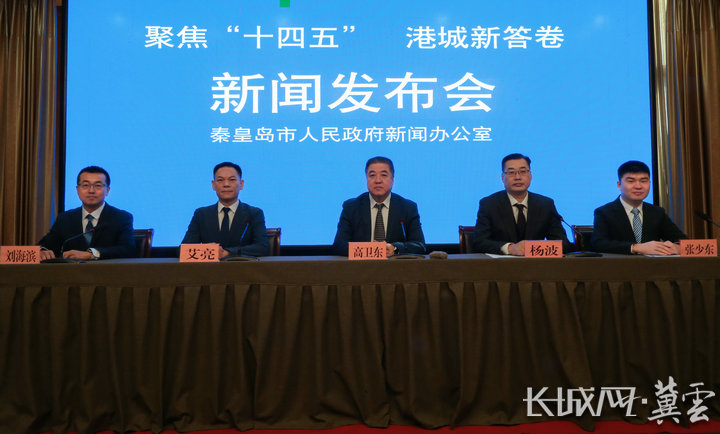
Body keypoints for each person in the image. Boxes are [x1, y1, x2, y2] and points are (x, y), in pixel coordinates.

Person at [472, 153, 572, 255]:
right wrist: (510, 248)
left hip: (537, 263)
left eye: (523, 171)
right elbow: (479, 242)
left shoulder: (545, 204)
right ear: (502, 177)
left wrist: (534, 249)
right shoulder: (489, 204)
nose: (517, 177)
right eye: (511, 172)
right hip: (501, 264)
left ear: (530, 176)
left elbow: (563, 244)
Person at [333, 156, 426, 256]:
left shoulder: (407, 207)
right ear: (366, 178)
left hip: (395, 265)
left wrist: (395, 249)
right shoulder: (351, 207)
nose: (378, 180)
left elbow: (420, 246)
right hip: (362, 265)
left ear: (392, 180)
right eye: (372, 175)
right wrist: (371, 250)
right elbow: (339, 246)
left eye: (384, 175)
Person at [38, 166, 136, 260]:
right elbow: (46, 244)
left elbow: (128, 249)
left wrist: (92, 254)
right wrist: (42, 251)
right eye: (85, 185)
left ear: (107, 190)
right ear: (78, 190)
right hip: (71, 271)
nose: (91, 191)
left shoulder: (121, 218)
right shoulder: (65, 218)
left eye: (98, 186)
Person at [591, 160, 687, 255]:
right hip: (619, 264)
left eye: (643, 181)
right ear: (619, 185)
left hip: (653, 264)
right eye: (631, 181)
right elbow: (598, 244)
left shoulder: (657, 212)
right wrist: (635, 247)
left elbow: (682, 240)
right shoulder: (604, 212)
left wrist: (678, 247)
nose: (638, 186)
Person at [182, 161, 269, 258]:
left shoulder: (254, 213)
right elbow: (183, 250)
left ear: (241, 184)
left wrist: (228, 252)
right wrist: (209, 251)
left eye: (232, 179)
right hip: (209, 267)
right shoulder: (201, 214)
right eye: (220, 180)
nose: (226, 184)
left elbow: (263, 247)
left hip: (242, 266)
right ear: (213, 185)